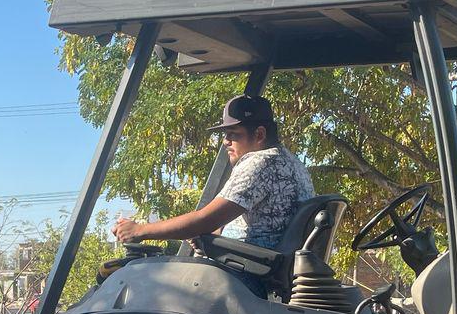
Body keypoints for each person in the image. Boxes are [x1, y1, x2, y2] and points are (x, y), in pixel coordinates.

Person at [112, 95, 314, 249]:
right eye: (225, 135)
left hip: (250, 270)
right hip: (263, 265)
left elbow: (205, 220)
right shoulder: (291, 162)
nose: (226, 141)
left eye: (233, 134)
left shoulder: (260, 162)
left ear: (259, 134)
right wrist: (210, 236)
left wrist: (140, 230)